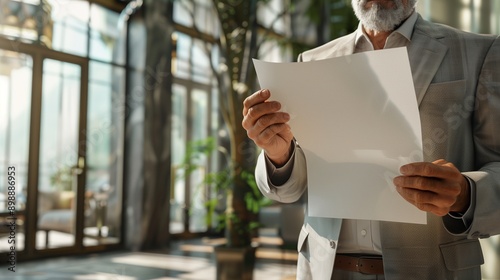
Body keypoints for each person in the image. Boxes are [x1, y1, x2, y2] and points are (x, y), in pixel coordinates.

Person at [242, 0, 500, 279]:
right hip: (326, 269)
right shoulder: (314, 61)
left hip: (432, 271)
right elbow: (292, 189)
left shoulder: (479, 52)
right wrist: (279, 156)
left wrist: (465, 193)